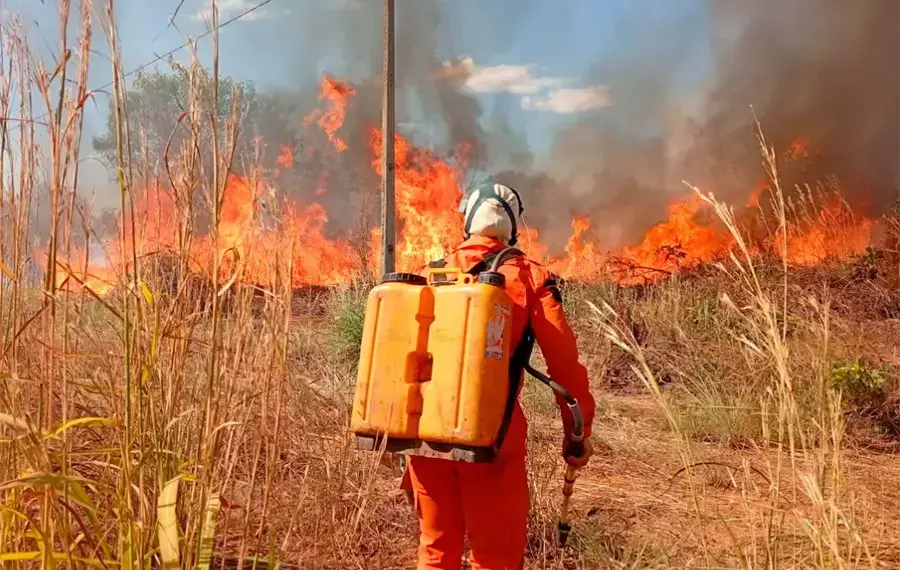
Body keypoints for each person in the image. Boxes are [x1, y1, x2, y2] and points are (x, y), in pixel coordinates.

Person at [400, 181, 597, 570]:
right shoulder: (529, 277)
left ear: (467, 223)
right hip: (493, 440)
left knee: (436, 552)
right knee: (496, 559)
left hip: (425, 435)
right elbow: (566, 368)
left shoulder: (428, 273)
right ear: (513, 226)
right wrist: (578, 434)